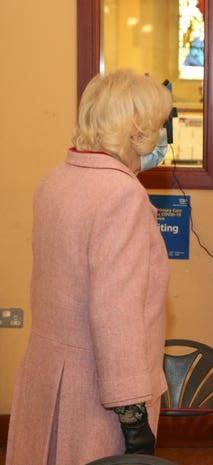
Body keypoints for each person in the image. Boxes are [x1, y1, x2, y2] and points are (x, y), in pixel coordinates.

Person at [6, 69, 173, 465]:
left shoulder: (55, 180)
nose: (164, 136)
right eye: (161, 126)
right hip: (98, 393)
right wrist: (132, 416)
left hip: (49, 375)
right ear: (137, 131)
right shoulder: (121, 194)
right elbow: (116, 316)